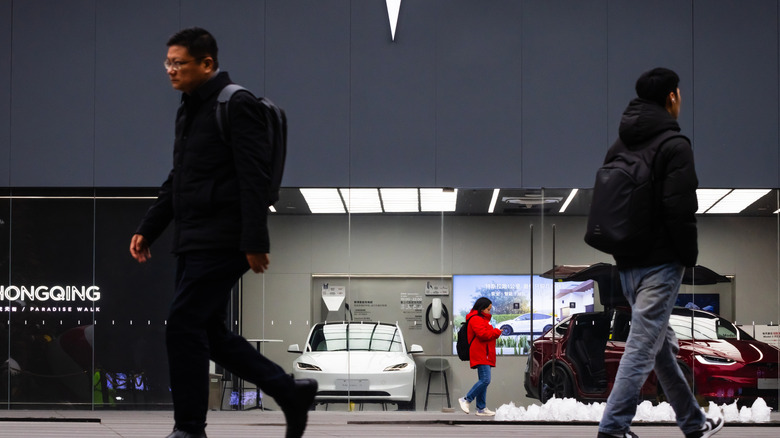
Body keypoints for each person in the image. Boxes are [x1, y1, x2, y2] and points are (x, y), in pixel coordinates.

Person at [129, 27, 316, 438]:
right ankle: (289, 391)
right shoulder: (188, 110)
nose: (170, 71)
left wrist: (254, 240)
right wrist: (150, 227)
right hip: (193, 237)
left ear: (207, 63)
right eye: (168, 63)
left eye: (178, 63)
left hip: (224, 237)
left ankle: (190, 429)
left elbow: (254, 175)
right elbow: (180, 177)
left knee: (181, 324)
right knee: (208, 333)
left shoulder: (236, 104)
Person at [596, 68, 723, 438]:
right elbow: (680, 208)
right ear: (671, 98)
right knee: (641, 346)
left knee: (660, 345)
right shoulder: (674, 145)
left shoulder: (620, 144)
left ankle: (694, 423)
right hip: (661, 263)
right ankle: (613, 429)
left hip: (629, 265)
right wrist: (687, 257)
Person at [457, 297, 502, 417]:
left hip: (484, 354)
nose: (489, 311)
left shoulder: (481, 319)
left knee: (484, 381)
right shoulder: (476, 319)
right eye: (488, 309)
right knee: (485, 379)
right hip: (481, 354)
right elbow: (483, 335)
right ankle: (466, 399)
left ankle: (481, 408)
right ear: (481, 308)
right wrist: (496, 332)